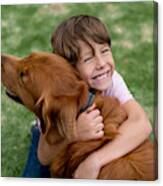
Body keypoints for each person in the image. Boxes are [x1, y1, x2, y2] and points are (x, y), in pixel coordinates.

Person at [23, 15, 152, 179]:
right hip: (57, 132)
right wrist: (74, 133)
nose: (101, 63)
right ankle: (36, 129)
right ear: (72, 68)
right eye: (88, 58)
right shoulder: (57, 93)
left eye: (105, 51)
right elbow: (44, 156)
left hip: (95, 130)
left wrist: (95, 161)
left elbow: (142, 123)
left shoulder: (110, 79)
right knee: (33, 177)